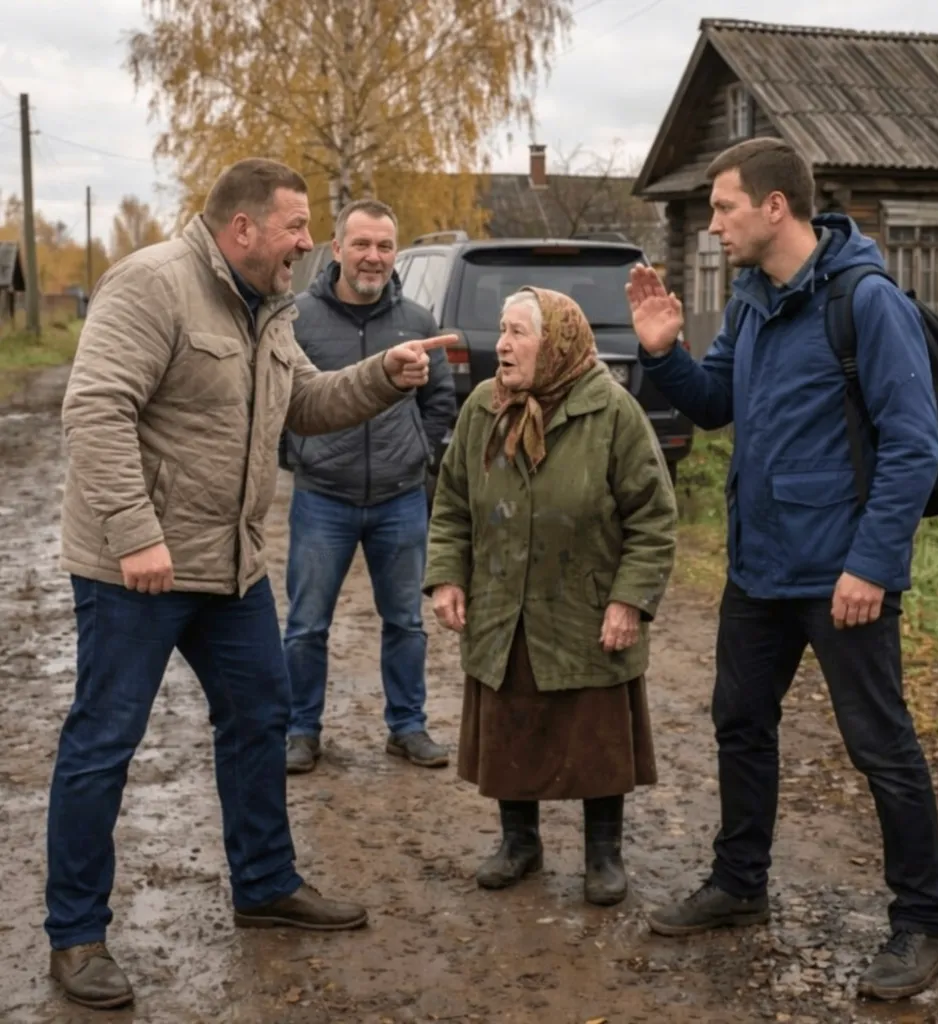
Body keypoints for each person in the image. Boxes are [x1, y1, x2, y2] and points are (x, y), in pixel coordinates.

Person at [47, 157, 456, 1010]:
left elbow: (305, 403)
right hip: (137, 570)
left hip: (229, 565)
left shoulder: (268, 306)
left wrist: (384, 375)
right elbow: (95, 409)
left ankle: (265, 883)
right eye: (296, 227)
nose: (309, 243)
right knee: (105, 740)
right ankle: (76, 934)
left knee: (262, 714)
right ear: (243, 229)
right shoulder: (152, 285)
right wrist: (136, 534)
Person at [628, 137, 938, 1001]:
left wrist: (871, 565)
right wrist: (663, 353)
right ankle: (740, 883)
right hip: (760, 566)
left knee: (880, 747)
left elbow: (914, 446)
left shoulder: (865, 300)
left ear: (776, 207)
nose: (713, 225)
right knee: (739, 723)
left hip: (844, 575)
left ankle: (922, 924)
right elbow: (716, 405)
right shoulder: (751, 301)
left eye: (724, 207)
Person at [424, 286, 677, 905]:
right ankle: (520, 843)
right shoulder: (484, 407)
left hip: (584, 605)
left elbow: (653, 517)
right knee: (510, 720)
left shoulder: (612, 411)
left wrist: (629, 600)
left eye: (518, 333)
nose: (502, 346)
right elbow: (452, 501)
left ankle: (603, 854)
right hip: (503, 601)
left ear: (557, 344)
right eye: (502, 331)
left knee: (596, 733)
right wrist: (448, 575)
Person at [280, 198, 455, 775]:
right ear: (337, 249)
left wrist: (419, 455)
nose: (373, 256)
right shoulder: (298, 319)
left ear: (395, 253)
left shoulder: (418, 322)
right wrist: (299, 455)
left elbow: (440, 402)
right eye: (361, 244)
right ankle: (300, 730)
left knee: (405, 622)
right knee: (306, 625)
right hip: (322, 499)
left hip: (399, 500)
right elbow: (277, 402)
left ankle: (407, 727)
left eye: (384, 246)